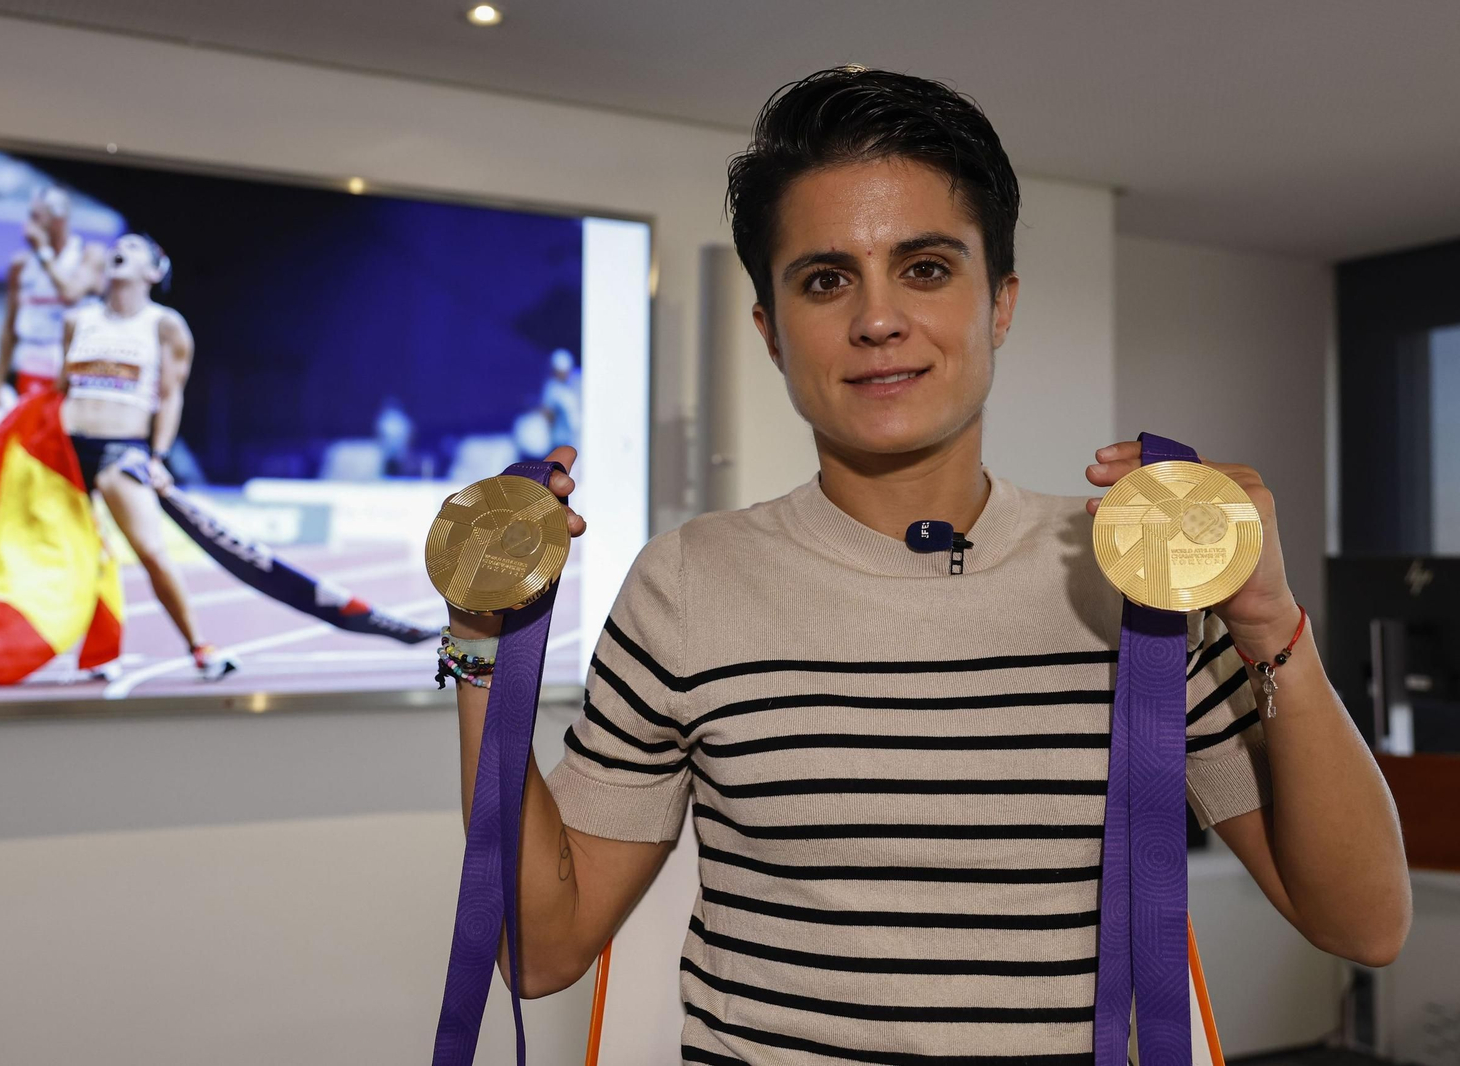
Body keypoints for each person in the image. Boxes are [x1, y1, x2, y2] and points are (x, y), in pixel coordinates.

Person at [444, 68, 1411, 1062]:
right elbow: (543, 947)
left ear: (999, 302)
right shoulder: (688, 582)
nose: (875, 320)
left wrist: (1265, 623)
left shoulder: (1135, 580)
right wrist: (485, 648)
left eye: (925, 268)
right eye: (825, 280)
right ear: (772, 332)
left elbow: (1364, 924)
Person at [58, 233, 238, 683]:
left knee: (152, 552)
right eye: (120, 244)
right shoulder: (78, 320)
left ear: (154, 272)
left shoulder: (165, 325)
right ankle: (96, 653)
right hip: (66, 450)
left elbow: (171, 395)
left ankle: (201, 648)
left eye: (136, 247)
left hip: (123, 450)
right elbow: (60, 390)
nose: (122, 248)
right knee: (80, 556)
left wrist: (158, 456)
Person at [0, 187, 106, 421]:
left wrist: (43, 252)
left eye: (36, 217)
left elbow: (71, 293)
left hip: (73, 370)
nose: (29, 225)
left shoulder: (88, 254)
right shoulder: (21, 265)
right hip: (31, 365)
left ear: (59, 220)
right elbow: (9, 328)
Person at [538, 346, 581, 450]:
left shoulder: (576, 382)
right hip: (561, 442)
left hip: (576, 439)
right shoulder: (552, 388)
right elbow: (548, 414)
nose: (563, 374)